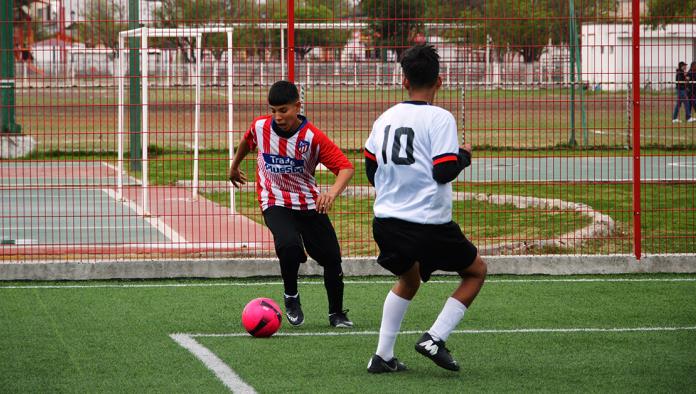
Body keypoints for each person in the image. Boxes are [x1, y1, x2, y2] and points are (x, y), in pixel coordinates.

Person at [363, 44, 487, 374]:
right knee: (476, 272)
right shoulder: (439, 117)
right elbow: (443, 170)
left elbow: (370, 169)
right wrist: (465, 155)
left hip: (386, 221)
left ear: (404, 81)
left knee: (409, 279)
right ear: (440, 81)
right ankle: (434, 338)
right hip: (427, 223)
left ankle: (383, 356)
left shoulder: (384, 118)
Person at [228, 80, 355, 328]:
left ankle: (337, 313)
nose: (277, 116)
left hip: (308, 203)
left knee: (331, 258)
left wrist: (331, 193)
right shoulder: (261, 127)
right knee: (287, 245)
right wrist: (234, 166)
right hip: (273, 200)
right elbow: (247, 141)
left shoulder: (312, 137)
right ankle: (291, 296)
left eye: (283, 110)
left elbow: (345, 168)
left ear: (297, 106)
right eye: (273, 110)